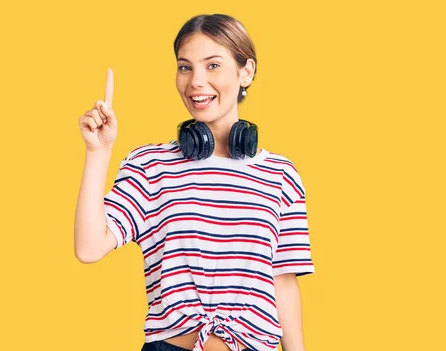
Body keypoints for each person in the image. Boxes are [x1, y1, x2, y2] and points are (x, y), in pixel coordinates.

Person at [74, 13, 314, 351]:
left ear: (246, 71)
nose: (196, 82)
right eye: (185, 67)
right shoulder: (151, 165)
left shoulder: (281, 175)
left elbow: (283, 281)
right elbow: (88, 247)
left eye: (212, 65)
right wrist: (98, 152)